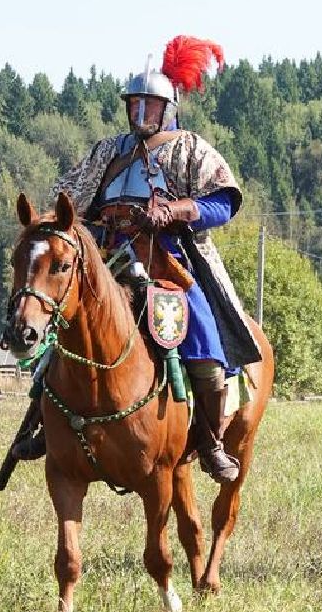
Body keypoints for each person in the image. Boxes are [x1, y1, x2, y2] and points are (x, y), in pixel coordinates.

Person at [16, 35, 260, 482]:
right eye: (135, 105)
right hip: (104, 258)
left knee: (202, 339)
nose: (141, 113)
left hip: (168, 260)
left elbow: (224, 202)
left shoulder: (190, 148)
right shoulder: (108, 151)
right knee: (60, 333)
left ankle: (210, 440)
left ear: (168, 108)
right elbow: (68, 199)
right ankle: (41, 424)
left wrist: (178, 210)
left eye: (150, 106)